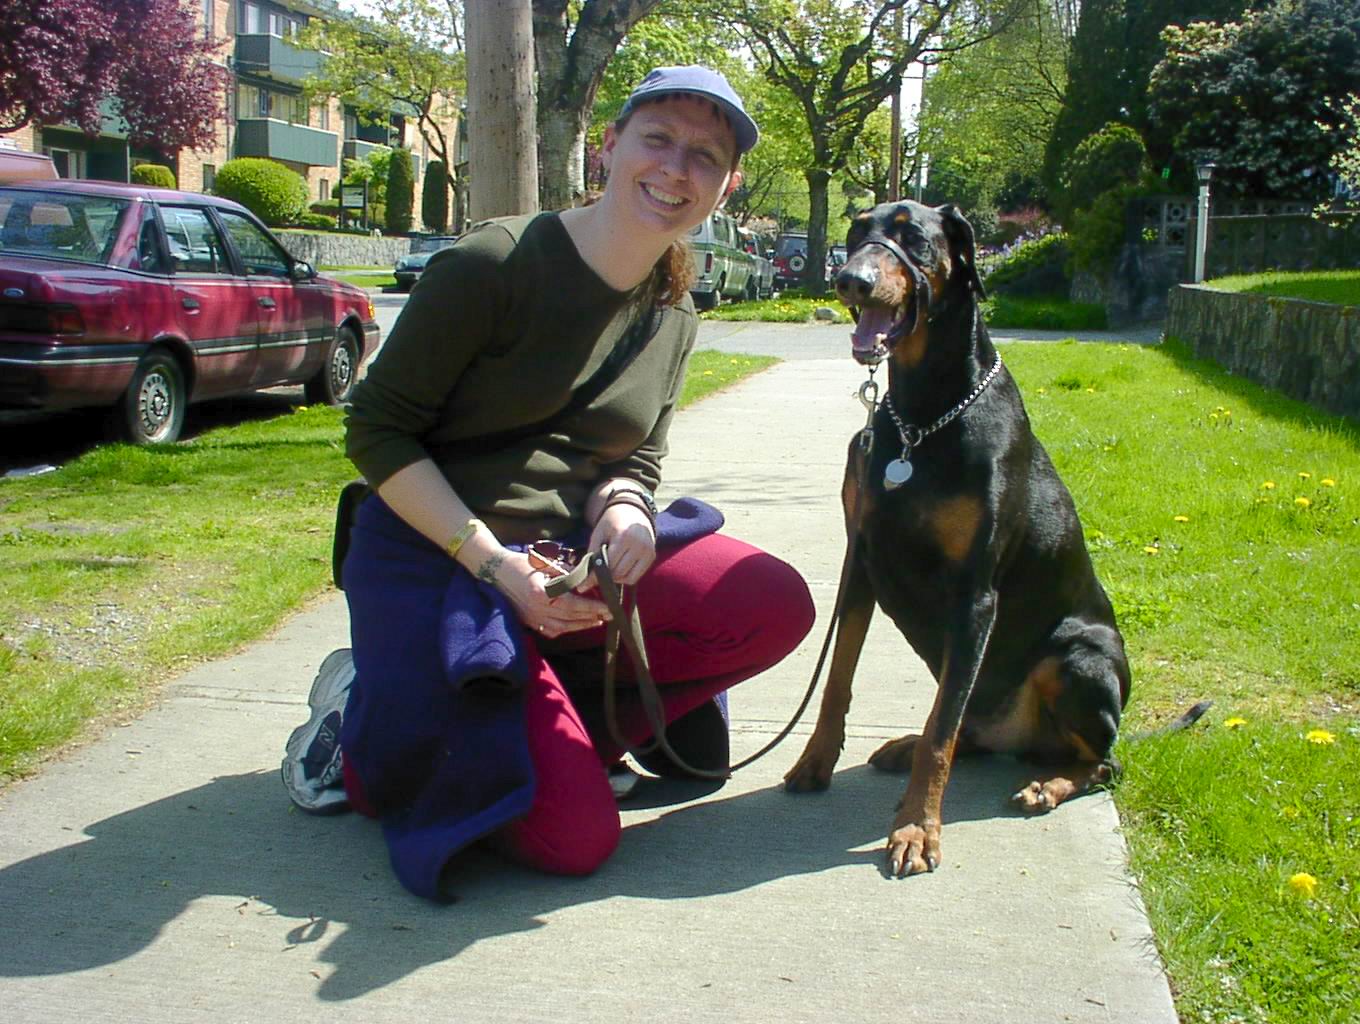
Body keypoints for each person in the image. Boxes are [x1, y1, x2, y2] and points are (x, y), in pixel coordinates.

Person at [281, 66, 815, 902]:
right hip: (441, 555)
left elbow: (633, 456)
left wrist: (628, 510)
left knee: (772, 602)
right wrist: (497, 568)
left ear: (728, 182)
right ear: (609, 145)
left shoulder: (675, 311)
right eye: (658, 140)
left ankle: (550, 723)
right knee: (571, 839)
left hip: (563, 559)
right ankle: (359, 717)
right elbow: (376, 430)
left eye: (705, 156)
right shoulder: (493, 263)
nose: (677, 169)